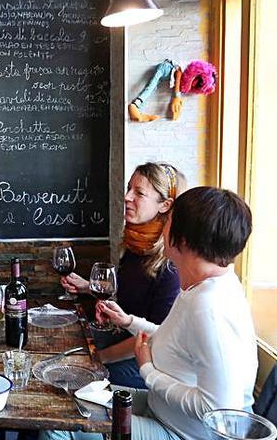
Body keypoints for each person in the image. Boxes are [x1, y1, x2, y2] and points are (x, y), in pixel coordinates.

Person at [42, 186, 257, 440]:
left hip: (180, 432)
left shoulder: (210, 308)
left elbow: (219, 410)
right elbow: (176, 341)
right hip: (161, 409)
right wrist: (129, 321)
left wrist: (148, 372)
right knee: (63, 395)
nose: (162, 227)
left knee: (56, 422)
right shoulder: (200, 289)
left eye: (168, 220)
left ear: (183, 239)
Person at [60, 163, 184, 388]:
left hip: (147, 362)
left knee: (74, 375)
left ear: (165, 205)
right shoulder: (136, 244)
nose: (126, 197)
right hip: (123, 339)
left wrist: (98, 358)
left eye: (139, 193)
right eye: (129, 189)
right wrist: (90, 287)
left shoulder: (170, 266)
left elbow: (154, 338)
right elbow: (131, 294)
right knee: (66, 340)